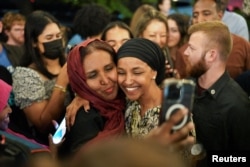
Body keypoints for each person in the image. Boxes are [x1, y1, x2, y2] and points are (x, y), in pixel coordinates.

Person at [184, 20, 250, 167]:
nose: (185, 52)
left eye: (191, 48)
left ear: (211, 55)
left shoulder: (237, 105)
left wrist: (207, 159)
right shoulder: (187, 87)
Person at [57, 39, 125, 161]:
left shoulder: (129, 98)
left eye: (109, 68)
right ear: (80, 82)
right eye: (93, 75)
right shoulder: (84, 117)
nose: (105, 80)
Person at [12, 10, 69, 145]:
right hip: (51, 144)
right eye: (49, 38)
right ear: (34, 42)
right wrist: (61, 83)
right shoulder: (25, 75)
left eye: (58, 36)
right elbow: (43, 125)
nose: (56, 41)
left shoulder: (69, 61)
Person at [175, 0, 250, 79]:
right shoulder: (184, 52)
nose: (199, 19)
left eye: (206, 14)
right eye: (195, 15)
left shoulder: (242, 45)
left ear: (219, 16)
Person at [72, 137, 188, 167]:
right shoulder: (130, 104)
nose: (127, 81)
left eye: (137, 74)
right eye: (121, 74)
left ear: (153, 74)